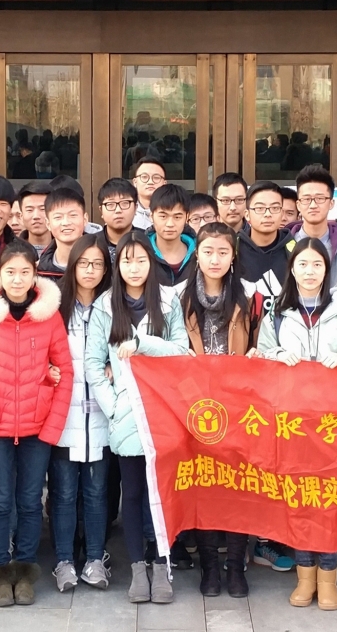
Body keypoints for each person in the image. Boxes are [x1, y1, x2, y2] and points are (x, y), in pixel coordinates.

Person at [256, 238, 337, 611]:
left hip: (334, 423)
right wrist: (277, 355)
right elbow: (261, 362)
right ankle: (305, 576)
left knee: (330, 502)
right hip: (291, 423)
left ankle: (329, 577)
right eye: (302, 264)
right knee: (299, 501)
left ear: (327, 269)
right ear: (292, 269)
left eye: (317, 264)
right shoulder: (277, 314)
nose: (309, 271)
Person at [0, 242, 75, 608]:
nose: (17, 279)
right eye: (10, 271)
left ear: (35, 275)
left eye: (25, 272)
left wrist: (52, 427)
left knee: (29, 501)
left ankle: (24, 573)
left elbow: (65, 372)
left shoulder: (49, 317)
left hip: (37, 427)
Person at [85, 237, 193, 604]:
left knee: (159, 493)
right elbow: (93, 364)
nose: (134, 268)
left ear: (152, 263)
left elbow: (181, 352)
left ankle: (162, 565)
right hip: (126, 414)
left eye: (141, 260)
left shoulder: (168, 301)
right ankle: (137, 568)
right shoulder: (105, 306)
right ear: (118, 266)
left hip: (163, 412)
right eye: (127, 261)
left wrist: (144, 343)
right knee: (131, 494)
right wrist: (113, 406)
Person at [178, 223, 262, 596]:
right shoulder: (178, 299)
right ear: (197, 254)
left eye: (223, 252)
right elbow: (172, 351)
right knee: (205, 486)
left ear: (233, 257)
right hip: (194, 407)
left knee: (238, 486)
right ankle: (210, 566)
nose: (215, 259)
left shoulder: (250, 299)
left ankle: (236, 566)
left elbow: (261, 345)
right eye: (208, 251)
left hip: (240, 405)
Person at [50, 232, 114, 593]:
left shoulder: (113, 307)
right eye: (84, 263)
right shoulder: (55, 307)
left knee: (97, 491)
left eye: (97, 264)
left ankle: (94, 559)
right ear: (72, 267)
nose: (90, 270)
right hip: (64, 415)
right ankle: (63, 561)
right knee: (62, 492)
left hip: (102, 415)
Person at [240, 180, 291, 295]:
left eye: (275, 208)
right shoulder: (234, 249)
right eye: (260, 208)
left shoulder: (295, 250)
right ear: (247, 215)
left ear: (282, 213)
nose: (268, 214)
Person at [291, 166, 337, 258]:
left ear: (331, 203)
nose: (313, 205)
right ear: (298, 205)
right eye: (307, 199)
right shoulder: (284, 245)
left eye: (320, 198)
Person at [35, 185, 90, 279]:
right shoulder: (39, 271)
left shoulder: (103, 261)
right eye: (58, 217)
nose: (66, 223)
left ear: (85, 219)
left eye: (73, 215)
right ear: (48, 224)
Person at [146, 183, 195, 284]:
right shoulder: (141, 251)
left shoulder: (200, 252)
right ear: (151, 216)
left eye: (177, 217)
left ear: (187, 217)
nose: (170, 224)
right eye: (163, 216)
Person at [98, 177, 140, 247]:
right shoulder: (91, 245)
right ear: (101, 210)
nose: (118, 210)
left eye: (125, 203)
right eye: (110, 204)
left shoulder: (148, 241)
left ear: (135, 208)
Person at [129, 156, 168, 230]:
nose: (150, 182)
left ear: (164, 183)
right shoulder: (126, 210)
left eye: (156, 177)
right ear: (135, 182)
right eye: (144, 177)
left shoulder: (173, 210)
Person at [16, 183, 52, 253]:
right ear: (21, 216)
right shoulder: (11, 251)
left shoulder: (66, 248)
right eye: (30, 210)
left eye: (42, 209)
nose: (36, 216)